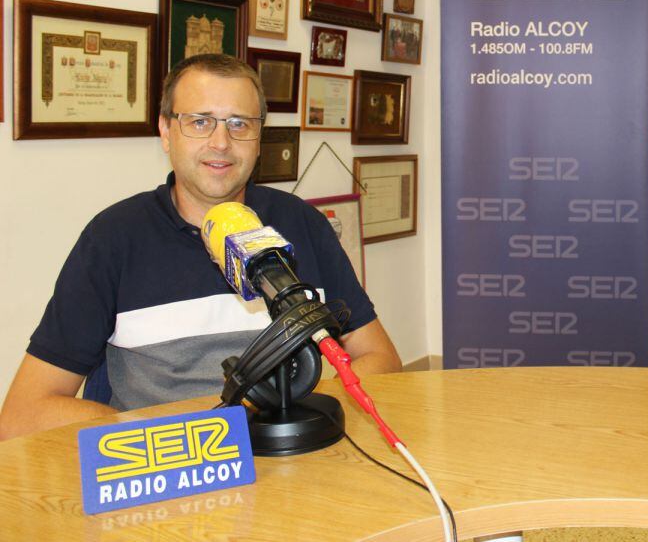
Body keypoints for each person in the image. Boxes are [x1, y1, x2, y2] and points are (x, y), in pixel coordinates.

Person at [0, 54, 401, 440]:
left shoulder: (303, 224)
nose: (221, 142)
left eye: (240, 123)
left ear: (260, 137)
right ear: (165, 131)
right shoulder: (113, 239)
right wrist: (177, 434)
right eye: (200, 121)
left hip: (293, 461)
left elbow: (381, 359)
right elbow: (24, 415)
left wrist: (296, 406)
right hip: (177, 473)